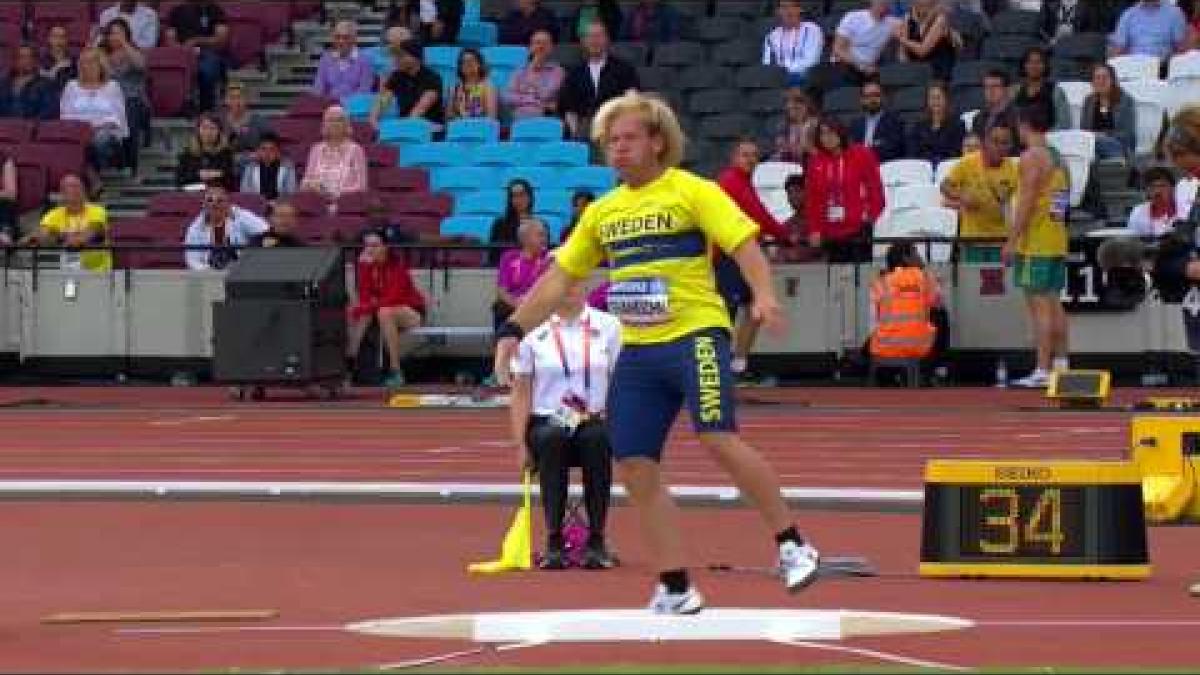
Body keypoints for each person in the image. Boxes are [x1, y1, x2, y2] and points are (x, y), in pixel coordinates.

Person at [492, 92, 821, 614]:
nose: (618, 150)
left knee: (717, 436)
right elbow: (560, 279)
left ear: (657, 142)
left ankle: (792, 544)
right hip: (641, 352)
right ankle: (675, 585)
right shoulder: (603, 213)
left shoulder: (692, 191)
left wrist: (762, 294)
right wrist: (512, 328)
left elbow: (744, 246)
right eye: (610, 142)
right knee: (635, 463)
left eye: (628, 139)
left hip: (695, 337)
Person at [510, 281, 620, 570]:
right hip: (547, 420)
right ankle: (554, 540)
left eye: (575, 281)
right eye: (562, 281)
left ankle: (596, 539)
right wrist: (519, 443)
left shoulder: (609, 326)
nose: (568, 287)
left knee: (596, 440)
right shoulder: (532, 330)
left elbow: (621, 381)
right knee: (552, 438)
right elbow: (520, 390)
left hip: (595, 419)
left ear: (585, 286)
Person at [1005, 105, 1071, 388]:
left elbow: (1027, 201)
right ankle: (1061, 365)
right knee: (1055, 303)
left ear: (1024, 125)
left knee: (1039, 306)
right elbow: (1063, 200)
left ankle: (1042, 369)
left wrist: (1012, 240)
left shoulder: (1032, 157)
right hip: (1056, 237)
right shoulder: (1059, 157)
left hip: (1037, 242)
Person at [716, 138, 794, 377]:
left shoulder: (743, 183)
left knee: (751, 309)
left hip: (737, 254)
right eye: (745, 154)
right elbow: (756, 214)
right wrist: (784, 234)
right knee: (727, 312)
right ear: (734, 158)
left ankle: (736, 364)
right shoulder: (731, 181)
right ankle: (723, 366)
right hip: (729, 256)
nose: (750, 159)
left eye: (754, 155)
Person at [347, 229, 426, 390]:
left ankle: (396, 371)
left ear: (385, 247)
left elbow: (392, 299)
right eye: (367, 246)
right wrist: (363, 268)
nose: (370, 250)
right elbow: (364, 297)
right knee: (363, 313)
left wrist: (363, 307)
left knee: (383, 311)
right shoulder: (366, 266)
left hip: (411, 311)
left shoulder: (398, 267)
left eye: (375, 245)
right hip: (383, 311)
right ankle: (350, 363)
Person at [805, 116, 885, 263]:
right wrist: (814, 229)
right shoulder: (815, 162)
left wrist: (870, 216)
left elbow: (876, 189)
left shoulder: (862, 154)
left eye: (831, 132)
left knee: (860, 277)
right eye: (822, 133)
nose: (827, 137)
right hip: (829, 231)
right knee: (836, 279)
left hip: (858, 229)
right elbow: (812, 199)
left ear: (841, 133)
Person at [941, 123, 1018, 264]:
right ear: (985, 142)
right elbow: (945, 186)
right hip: (972, 240)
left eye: (1004, 143)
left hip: (1000, 241)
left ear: (1011, 146)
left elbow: (1015, 206)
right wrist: (961, 196)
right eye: (995, 141)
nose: (999, 147)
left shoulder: (1014, 170)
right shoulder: (967, 163)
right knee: (973, 283)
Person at [867, 242, 944, 377]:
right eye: (916, 254)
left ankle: (887, 376)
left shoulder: (881, 282)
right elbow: (938, 302)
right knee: (941, 314)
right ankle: (932, 370)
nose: (921, 258)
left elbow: (872, 321)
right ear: (906, 258)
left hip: (884, 347)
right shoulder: (925, 278)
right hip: (920, 347)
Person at [60, 47, 129, 196]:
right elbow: (65, 117)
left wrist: (94, 128)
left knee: (98, 139)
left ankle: (90, 176)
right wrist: (83, 130)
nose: (87, 66)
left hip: (106, 135)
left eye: (92, 62)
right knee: (78, 144)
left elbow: (118, 119)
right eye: (83, 62)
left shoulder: (112, 87)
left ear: (101, 65)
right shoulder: (71, 87)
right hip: (77, 134)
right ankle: (93, 178)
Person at [558, 22, 640, 140]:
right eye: (590, 37)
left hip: (616, 123)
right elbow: (569, 109)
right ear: (584, 42)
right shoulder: (574, 74)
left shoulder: (624, 69)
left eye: (598, 36)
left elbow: (633, 97)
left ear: (607, 39)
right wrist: (575, 134)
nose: (594, 41)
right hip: (585, 127)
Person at [26, 174, 111, 272]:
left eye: (77, 187)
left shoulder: (97, 210)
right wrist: (36, 238)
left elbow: (89, 234)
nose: (75, 191)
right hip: (67, 271)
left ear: (84, 191)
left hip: (98, 272)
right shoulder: (54, 214)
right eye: (69, 188)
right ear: (62, 194)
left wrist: (60, 236)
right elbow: (42, 234)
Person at [164, 0, 230, 113]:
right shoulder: (176, 11)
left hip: (207, 52)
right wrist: (183, 50)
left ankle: (206, 109)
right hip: (181, 53)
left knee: (208, 70)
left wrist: (197, 41)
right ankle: (181, 106)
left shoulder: (216, 10)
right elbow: (170, 39)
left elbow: (221, 39)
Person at [182, 185, 268, 270]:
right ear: (203, 204)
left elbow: (266, 230)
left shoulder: (240, 216)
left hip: (241, 271)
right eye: (210, 200)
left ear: (228, 203)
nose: (214, 205)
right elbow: (192, 260)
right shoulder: (196, 227)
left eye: (220, 201)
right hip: (208, 274)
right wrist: (210, 273)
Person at [369, 40, 445, 129]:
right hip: (405, 126)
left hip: (428, 128)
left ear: (415, 58)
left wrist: (401, 127)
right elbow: (382, 101)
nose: (396, 59)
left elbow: (418, 111)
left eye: (401, 56)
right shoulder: (397, 76)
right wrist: (373, 120)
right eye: (396, 56)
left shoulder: (433, 78)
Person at [101, 19, 150, 151]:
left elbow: (141, 65)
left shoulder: (134, 53)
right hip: (109, 102)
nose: (115, 36)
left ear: (127, 35)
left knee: (128, 106)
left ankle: (129, 160)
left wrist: (124, 44)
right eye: (112, 33)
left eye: (119, 33)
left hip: (133, 100)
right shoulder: (103, 56)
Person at [495, 217, 551, 328]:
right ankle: (504, 342)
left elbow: (550, 290)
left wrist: (529, 304)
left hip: (539, 305)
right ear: (525, 238)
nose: (545, 239)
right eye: (540, 235)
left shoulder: (550, 258)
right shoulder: (509, 257)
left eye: (545, 235)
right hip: (514, 305)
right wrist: (516, 304)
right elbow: (502, 291)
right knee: (500, 307)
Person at [302, 105, 368, 200]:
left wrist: (334, 193)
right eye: (330, 120)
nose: (335, 123)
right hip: (317, 203)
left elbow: (362, 187)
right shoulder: (316, 149)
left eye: (339, 120)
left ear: (346, 125)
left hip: (345, 204)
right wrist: (312, 185)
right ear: (324, 125)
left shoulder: (356, 150)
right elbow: (305, 182)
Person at [830, 0, 900, 86]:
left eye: (887, 2)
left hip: (869, 70)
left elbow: (912, 21)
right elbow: (837, 49)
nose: (884, 3)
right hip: (846, 64)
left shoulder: (892, 23)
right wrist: (862, 66)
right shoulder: (853, 17)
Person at [503, 29, 565, 120]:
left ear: (551, 48)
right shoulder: (520, 70)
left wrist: (536, 69)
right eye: (537, 43)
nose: (541, 46)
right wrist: (530, 100)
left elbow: (545, 95)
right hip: (520, 117)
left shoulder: (558, 72)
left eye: (545, 43)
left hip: (546, 117)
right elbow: (507, 96)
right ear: (530, 47)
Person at [762, 0, 824, 87]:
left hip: (803, 76)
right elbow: (767, 63)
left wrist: (784, 70)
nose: (788, 10)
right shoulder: (772, 36)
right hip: (778, 78)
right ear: (778, 11)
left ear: (800, 9)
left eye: (792, 6)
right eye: (784, 7)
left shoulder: (812, 29)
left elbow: (811, 60)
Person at [1081, 63, 1136, 161]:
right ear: (1092, 82)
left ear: (1112, 80)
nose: (1101, 81)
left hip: (1118, 145)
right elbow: (1084, 129)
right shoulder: (1089, 100)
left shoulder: (1125, 101)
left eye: (1104, 78)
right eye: (1097, 78)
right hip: (1093, 144)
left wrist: (1105, 135)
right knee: (1091, 151)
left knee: (1098, 143)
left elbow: (1128, 134)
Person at [1010, 47, 1070, 132]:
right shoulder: (1014, 91)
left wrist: (1044, 136)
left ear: (1045, 66)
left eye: (1038, 62)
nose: (1034, 66)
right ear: (1024, 65)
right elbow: (1008, 119)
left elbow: (1065, 124)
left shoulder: (1056, 92)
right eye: (1030, 62)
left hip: (1046, 140)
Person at [894, 0, 956, 81]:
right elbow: (903, 51)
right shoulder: (908, 17)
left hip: (937, 72)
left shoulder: (940, 19)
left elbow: (922, 50)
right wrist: (905, 69)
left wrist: (901, 39)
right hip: (916, 71)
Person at [313, 21, 375, 100]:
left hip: (354, 107)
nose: (341, 41)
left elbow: (364, 90)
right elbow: (318, 87)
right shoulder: (326, 59)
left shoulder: (365, 60)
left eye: (346, 37)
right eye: (337, 37)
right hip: (329, 106)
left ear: (354, 39)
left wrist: (345, 105)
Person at [907, 82, 967, 165]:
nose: (935, 101)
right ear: (927, 101)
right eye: (932, 98)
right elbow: (913, 153)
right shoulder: (918, 126)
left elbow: (956, 153)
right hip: (923, 169)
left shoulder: (958, 125)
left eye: (938, 97)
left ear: (946, 99)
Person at [850, 76, 905, 163]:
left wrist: (866, 152)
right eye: (867, 96)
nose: (872, 100)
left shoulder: (895, 121)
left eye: (876, 95)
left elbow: (891, 150)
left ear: (882, 97)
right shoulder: (856, 124)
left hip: (884, 167)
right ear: (862, 100)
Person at [1109, 0, 1189, 61]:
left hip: (1163, 68)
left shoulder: (1175, 13)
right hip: (1134, 67)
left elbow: (1182, 50)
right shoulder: (1128, 15)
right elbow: (1117, 50)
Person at [176, 113, 236, 190]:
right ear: (198, 130)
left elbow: (231, 181)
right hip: (193, 195)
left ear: (219, 131)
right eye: (204, 128)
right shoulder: (188, 153)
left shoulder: (225, 153)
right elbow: (179, 180)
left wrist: (218, 174)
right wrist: (198, 175)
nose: (208, 132)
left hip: (219, 195)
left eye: (212, 128)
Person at [222, 82, 272, 173]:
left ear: (247, 100)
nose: (236, 101)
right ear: (226, 100)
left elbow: (270, 147)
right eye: (232, 98)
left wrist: (255, 155)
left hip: (254, 165)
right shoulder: (220, 123)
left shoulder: (260, 122)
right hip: (226, 165)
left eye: (240, 97)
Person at [0, 45, 56, 120]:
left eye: (30, 57)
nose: (27, 61)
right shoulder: (4, 83)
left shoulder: (45, 84)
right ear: (16, 60)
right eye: (22, 57)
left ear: (35, 61)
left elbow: (48, 111)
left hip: (32, 128)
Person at [240, 133, 298, 203]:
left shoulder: (287, 167)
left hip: (279, 206)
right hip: (256, 205)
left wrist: (275, 202)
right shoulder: (250, 167)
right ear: (258, 151)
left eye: (272, 149)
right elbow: (245, 192)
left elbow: (291, 193)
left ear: (277, 152)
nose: (267, 153)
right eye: (263, 149)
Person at [971, 69, 1020, 145]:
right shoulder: (978, 118)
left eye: (995, 86)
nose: (990, 91)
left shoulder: (1018, 116)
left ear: (1006, 89)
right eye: (987, 87)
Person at [1128, 166, 1179, 236]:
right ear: (1146, 190)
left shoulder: (1182, 211)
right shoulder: (1138, 211)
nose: (1157, 191)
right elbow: (1132, 240)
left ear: (1172, 188)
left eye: (1162, 186)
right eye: (1152, 187)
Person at [449, 48, 499, 120]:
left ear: (479, 64)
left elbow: (491, 118)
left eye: (471, 61)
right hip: (459, 128)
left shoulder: (488, 86)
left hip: (481, 128)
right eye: (463, 62)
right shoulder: (454, 88)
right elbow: (449, 117)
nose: (467, 64)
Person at [772, 88, 817, 164]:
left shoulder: (816, 125)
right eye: (788, 102)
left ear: (807, 105)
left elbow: (820, 154)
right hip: (788, 166)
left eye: (798, 101)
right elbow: (780, 151)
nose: (790, 105)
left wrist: (808, 148)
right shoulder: (783, 126)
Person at [490, 178, 536, 248]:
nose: (518, 200)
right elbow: (494, 255)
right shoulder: (500, 225)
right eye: (514, 196)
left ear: (530, 197)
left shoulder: (539, 225)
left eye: (521, 195)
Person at [95, 1, 160, 51]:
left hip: (136, 55)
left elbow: (149, 44)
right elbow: (100, 40)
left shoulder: (149, 14)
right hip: (110, 53)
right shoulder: (107, 14)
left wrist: (124, 43)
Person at [40, 25, 77, 100]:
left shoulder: (75, 62)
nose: (59, 41)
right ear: (49, 39)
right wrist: (55, 70)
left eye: (62, 37)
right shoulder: (40, 62)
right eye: (55, 36)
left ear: (66, 40)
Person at [0, 150, 16, 245]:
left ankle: (4, 236)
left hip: (2, 209)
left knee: (6, 204)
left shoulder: (6, 162)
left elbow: (11, 194)